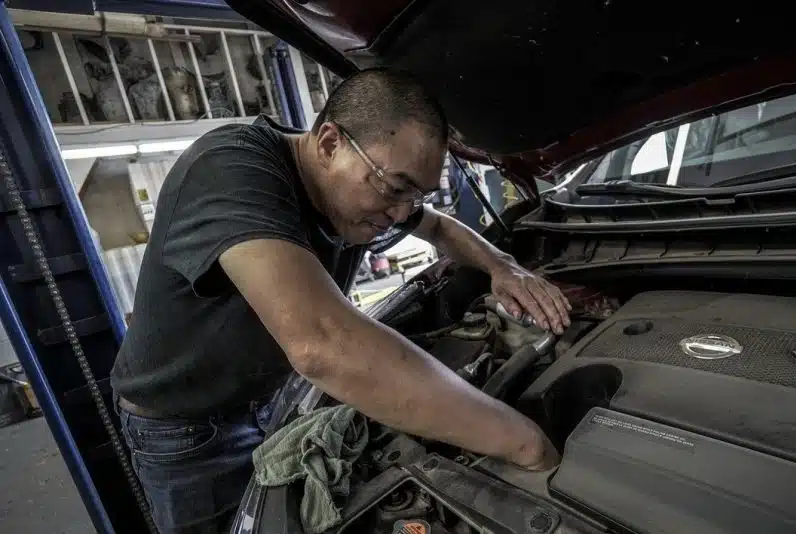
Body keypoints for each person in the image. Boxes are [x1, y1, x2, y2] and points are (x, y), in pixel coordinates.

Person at [110, 68, 569, 533]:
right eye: (394, 188)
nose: (400, 213)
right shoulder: (230, 170)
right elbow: (322, 344)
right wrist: (522, 442)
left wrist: (500, 265)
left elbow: (438, 226)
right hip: (189, 431)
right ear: (330, 143)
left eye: (416, 195)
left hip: (273, 398)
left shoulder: (358, 187)